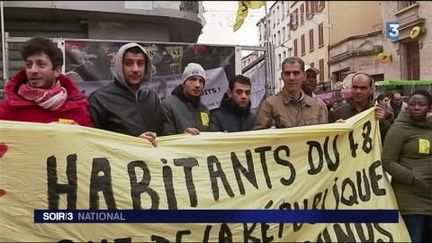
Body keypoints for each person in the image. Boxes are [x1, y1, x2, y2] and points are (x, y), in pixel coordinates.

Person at [0, 37, 93, 126]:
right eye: (28, 65)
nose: (33, 70)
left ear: (57, 71)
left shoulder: (77, 109)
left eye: (40, 65)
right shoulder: (7, 110)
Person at [89, 42, 163, 146]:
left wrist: (184, 135)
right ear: (119, 66)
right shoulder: (100, 100)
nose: (135, 69)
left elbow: (164, 133)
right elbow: (93, 142)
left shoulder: (151, 97)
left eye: (140, 63)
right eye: (129, 63)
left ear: (146, 67)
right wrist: (134, 143)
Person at [382, 90, 432, 242]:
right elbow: (388, 162)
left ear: (429, 108)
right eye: (412, 104)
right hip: (410, 199)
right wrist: (414, 178)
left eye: (421, 105)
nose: (416, 107)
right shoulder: (398, 128)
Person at [254, 56, 328, 129]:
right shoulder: (269, 105)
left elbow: (325, 134)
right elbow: (258, 137)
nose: (291, 78)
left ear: (304, 76)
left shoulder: (316, 106)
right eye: (287, 73)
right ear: (282, 76)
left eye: (296, 73)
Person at [329, 73, 392, 140]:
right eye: (355, 87)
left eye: (363, 88)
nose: (358, 91)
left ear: (370, 90)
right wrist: (334, 129)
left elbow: (391, 140)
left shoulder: (385, 113)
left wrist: (382, 122)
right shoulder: (337, 113)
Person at [161, 63, 209, 135]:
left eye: (201, 81)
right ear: (183, 83)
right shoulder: (167, 106)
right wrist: (183, 136)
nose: (197, 85)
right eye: (192, 79)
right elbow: (165, 137)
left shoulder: (204, 109)